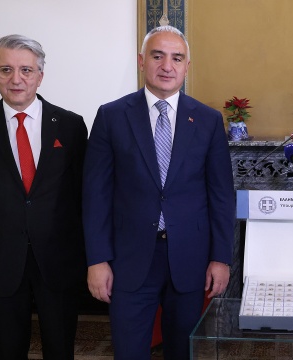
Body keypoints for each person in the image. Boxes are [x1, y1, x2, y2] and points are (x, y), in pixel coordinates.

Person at [83, 25, 235, 359]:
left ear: (186, 67)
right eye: (158, 56)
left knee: (182, 350)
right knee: (128, 350)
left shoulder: (208, 120)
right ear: (141, 61)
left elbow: (221, 195)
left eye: (176, 58)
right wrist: (97, 259)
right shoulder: (111, 116)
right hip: (130, 258)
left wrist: (221, 258)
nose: (167, 65)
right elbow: (96, 195)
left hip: (190, 258)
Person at [0, 34, 88, 359]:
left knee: (60, 349)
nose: (16, 79)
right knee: (7, 350)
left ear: (40, 75)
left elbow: (79, 192)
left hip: (57, 258)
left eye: (26, 70)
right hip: (1, 258)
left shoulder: (70, 126)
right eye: (5, 70)